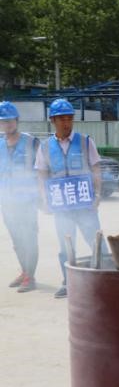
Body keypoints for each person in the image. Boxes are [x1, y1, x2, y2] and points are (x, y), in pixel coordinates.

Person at [36, 98, 105, 299]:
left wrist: (97, 195)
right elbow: (42, 175)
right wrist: (45, 200)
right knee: (66, 245)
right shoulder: (45, 147)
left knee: (96, 241)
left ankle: (105, 278)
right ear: (53, 121)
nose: (66, 123)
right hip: (62, 206)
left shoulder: (85, 142)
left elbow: (96, 169)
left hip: (85, 203)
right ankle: (69, 283)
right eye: (62, 119)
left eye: (69, 118)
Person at [0, 101, 39, 293]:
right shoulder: (0, 145)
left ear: (17, 120)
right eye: (3, 121)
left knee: (29, 239)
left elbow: (43, 170)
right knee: (17, 240)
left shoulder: (31, 142)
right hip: (7, 203)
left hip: (27, 202)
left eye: (10, 120)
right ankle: (24, 271)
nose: (7, 124)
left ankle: (30, 277)